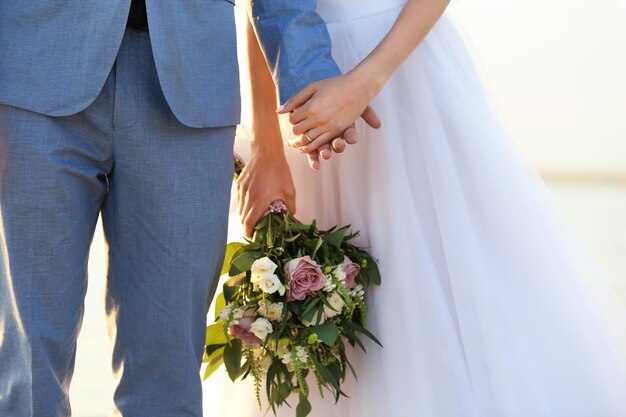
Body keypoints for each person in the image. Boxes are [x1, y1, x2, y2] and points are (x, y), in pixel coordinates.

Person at [204, 0, 626, 415]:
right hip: (296, 88)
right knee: (309, 323)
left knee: (440, 294)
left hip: (404, 71)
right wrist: (266, 147)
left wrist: (362, 83)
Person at [0, 1, 375, 416]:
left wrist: (312, 75)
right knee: (29, 360)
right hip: (31, 73)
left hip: (191, 83)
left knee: (168, 373)